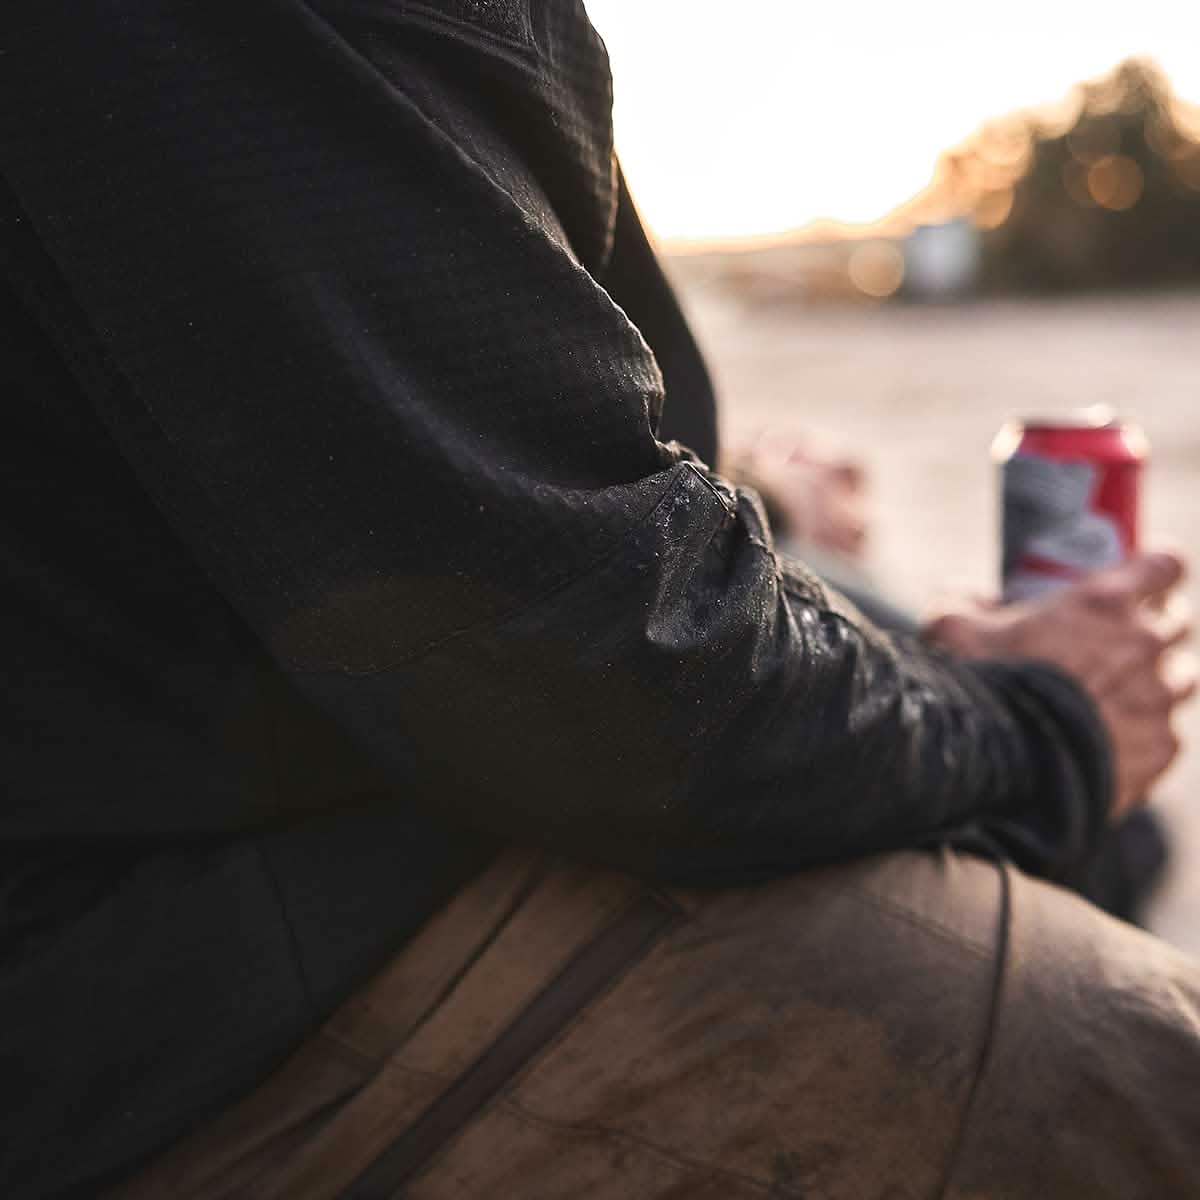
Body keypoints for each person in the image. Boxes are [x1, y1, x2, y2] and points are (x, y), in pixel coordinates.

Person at [1, 3, 1198, 1197]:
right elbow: (596, 659)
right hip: (173, 991)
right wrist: (1043, 725)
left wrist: (755, 507)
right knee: (1137, 1061)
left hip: (306, 781)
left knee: (1080, 812)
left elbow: (353, 447)